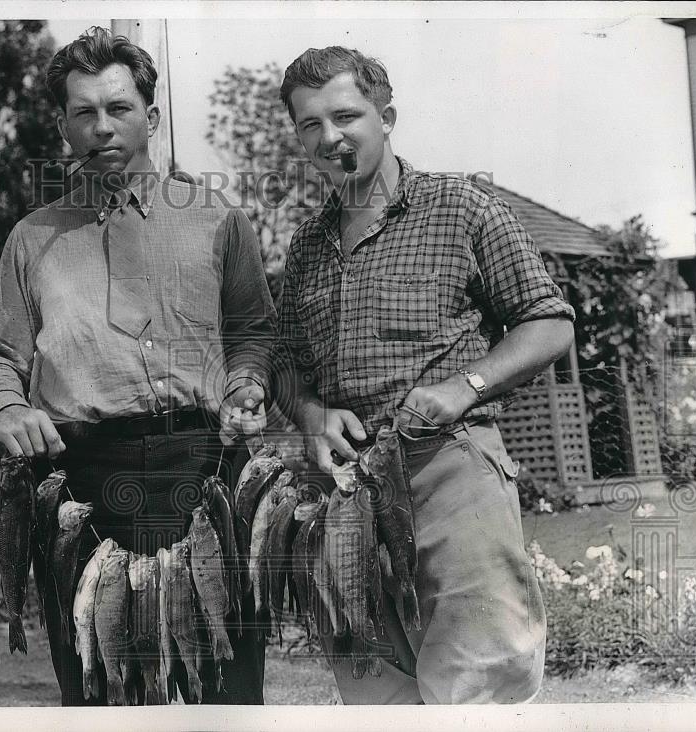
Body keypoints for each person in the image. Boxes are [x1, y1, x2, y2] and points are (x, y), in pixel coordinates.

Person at [0, 27, 275, 705]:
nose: (102, 127)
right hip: (80, 483)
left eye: (119, 108)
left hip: (204, 470)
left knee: (221, 684)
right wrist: (9, 409)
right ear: (64, 126)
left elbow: (255, 332)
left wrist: (249, 381)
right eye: (84, 113)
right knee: (103, 688)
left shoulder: (217, 220)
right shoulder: (32, 239)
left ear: (151, 116)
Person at [273, 46, 576, 704]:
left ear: (387, 116)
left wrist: (464, 386)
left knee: (478, 682)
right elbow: (287, 367)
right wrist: (311, 416)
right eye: (309, 125)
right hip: (344, 495)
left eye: (346, 116)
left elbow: (549, 322)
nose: (331, 138)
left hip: (449, 471)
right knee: (373, 693)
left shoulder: (462, 208)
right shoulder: (303, 248)